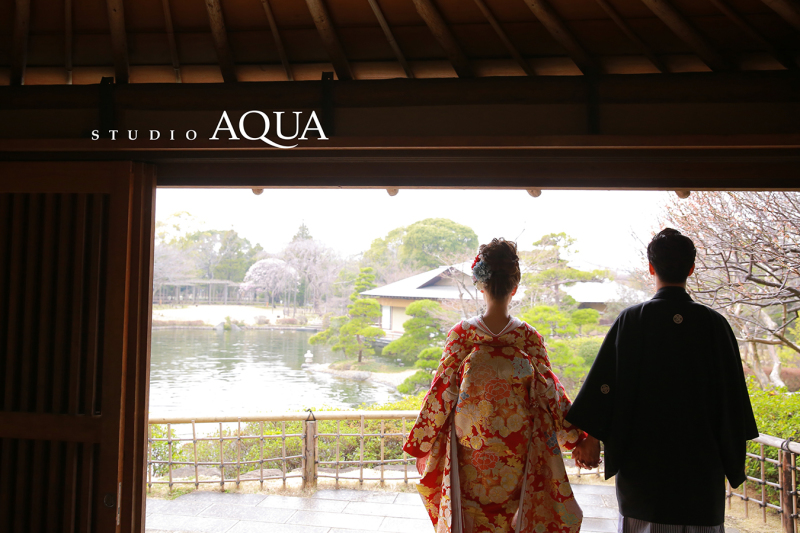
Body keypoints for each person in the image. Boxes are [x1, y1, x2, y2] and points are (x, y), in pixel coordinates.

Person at [566, 228, 759, 533]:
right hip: (701, 472)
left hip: (644, 472)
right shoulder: (715, 325)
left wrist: (591, 439)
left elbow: (606, 386)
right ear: (692, 269)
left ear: (651, 267)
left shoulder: (633, 321)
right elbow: (732, 400)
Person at [403, 238, 598, 533]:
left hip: (470, 451)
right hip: (515, 453)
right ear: (514, 287)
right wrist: (577, 439)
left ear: (480, 286)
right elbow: (551, 395)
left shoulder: (462, 335)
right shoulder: (528, 338)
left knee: (469, 521)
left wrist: (422, 444)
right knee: (513, 520)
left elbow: (440, 393)